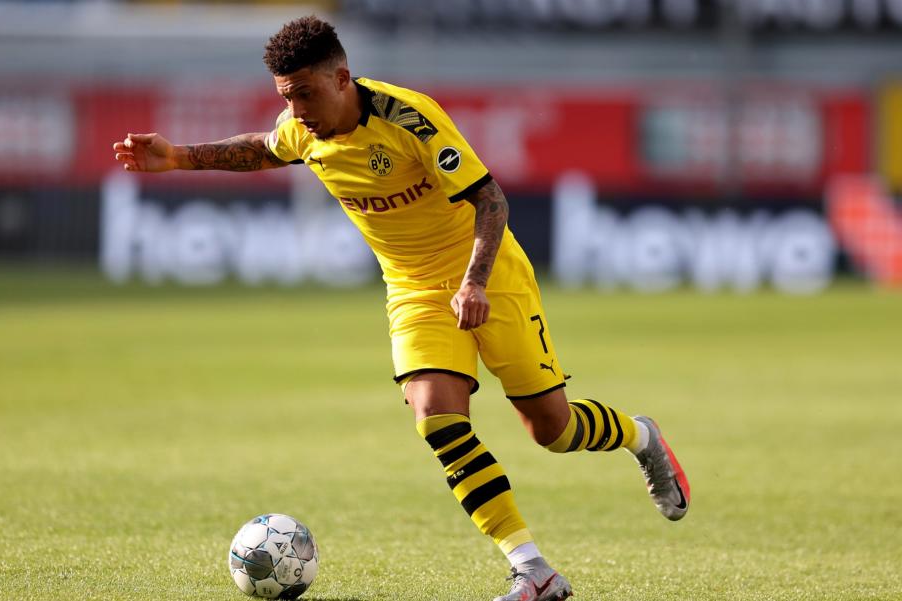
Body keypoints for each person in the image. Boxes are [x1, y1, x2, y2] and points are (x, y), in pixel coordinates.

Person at [112, 16, 690, 601]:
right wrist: (180, 156)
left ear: (342, 78)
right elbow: (263, 148)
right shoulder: (301, 129)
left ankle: (641, 437)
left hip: (487, 275)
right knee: (437, 418)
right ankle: (533, 569)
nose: (297, 109)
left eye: (306, 93)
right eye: (286, 97)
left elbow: (490, 199)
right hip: (412, 288)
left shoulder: (408, 117)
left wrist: (474, 283)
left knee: (553, 429)